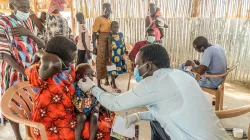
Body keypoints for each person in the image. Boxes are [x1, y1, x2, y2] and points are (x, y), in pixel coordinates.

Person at [77, 44, 231, 140]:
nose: (135, 69)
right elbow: (168, 110)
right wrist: (139, 115)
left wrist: (92, 87)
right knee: (155, 123)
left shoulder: (154, 84)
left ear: (148, 66)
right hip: (217, 136)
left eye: (137, 65)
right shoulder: (181, 74)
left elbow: (114, 104)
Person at [0, 0, 45, 139]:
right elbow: (5, 54)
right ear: (12, 7)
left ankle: (29, 134)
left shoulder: (30, 22)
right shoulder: (3, 23)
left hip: (31, 70)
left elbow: (42, 45)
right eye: (22, 7)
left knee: (30, 103)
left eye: (28, 7)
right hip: (13, 71)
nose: (26, 10)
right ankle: (18, 136)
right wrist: (23, 72)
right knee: (13, 105)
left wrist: (29, 33)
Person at [25, 36, 77, 139]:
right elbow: (55, 63)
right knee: (101, 129)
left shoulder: (68, 69)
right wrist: (40, 52)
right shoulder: (39, 72)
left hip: (68, 117)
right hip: (49, 127)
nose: (71, 64)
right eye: (69, 61)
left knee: (106, 122)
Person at [74, 63, 100, 140]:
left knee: (95, 117)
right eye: (87, 75)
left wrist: (97, 107)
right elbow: (73, 99)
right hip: (81, 111)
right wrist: (77, 109)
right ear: (79, 77)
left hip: (92, 109)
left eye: (92, 75)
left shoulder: (93, 86)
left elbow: (99, 99)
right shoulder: (75, 87)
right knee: (80, 118)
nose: (91, 78)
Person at [92, 3, 112, 91]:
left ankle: (107, 79)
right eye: (106, 8)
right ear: (103, 9)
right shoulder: (98, 19)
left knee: (108, 60)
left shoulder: (110, 20)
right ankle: (98, 84)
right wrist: (94, 47)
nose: (108, 10)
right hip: (101, 43)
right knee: (100, 61)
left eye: (109, 8)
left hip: (109, 43)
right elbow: (94, 33)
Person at [106, 21, 127, 93]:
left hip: (120, 55)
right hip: (113, 56)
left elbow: (123, 43)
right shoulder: (110, 37)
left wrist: (125, 52)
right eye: (114, 27)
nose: (116, 29)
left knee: (119, 71)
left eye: (117, 27)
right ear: (111, 28)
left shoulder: (121, 34)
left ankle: (112, 82)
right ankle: (114, 85)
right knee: (113, 71)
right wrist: (109, 60)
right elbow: (109, 48)